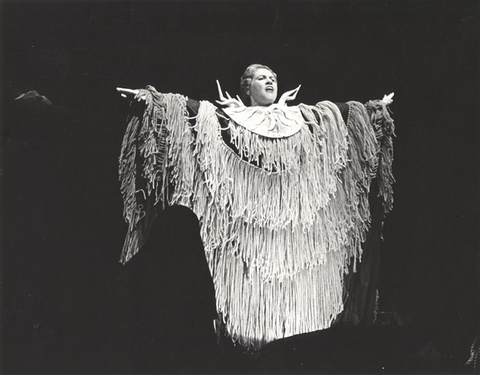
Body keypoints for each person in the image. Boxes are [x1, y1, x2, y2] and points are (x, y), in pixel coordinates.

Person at [116, 63, 395, 350]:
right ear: (247, 88)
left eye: (273, 78)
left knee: (293, 286)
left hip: (292, 224)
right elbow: (191, 110)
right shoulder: (228, 119)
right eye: (262, 78)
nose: (271, 82)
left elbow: (340, 115)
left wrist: (373, 110)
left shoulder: (299, 117)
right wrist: (151, 100)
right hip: (248, 224)